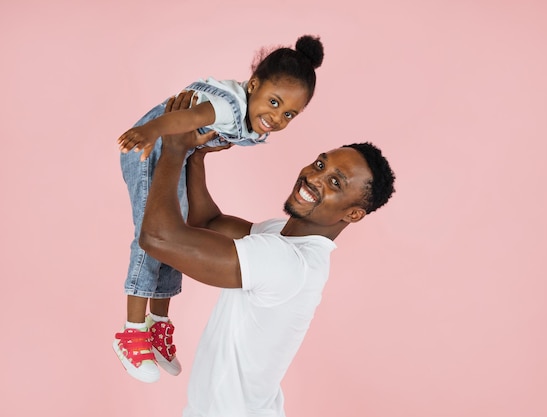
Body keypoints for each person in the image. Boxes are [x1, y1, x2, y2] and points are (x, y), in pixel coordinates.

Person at [138, 91, 396, 416]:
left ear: (353, 213)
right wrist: (196, 155)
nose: (313, 177)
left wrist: (174, 151)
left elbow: (157, 238)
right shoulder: (284, 237)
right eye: (320, 164)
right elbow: (208, 222)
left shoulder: (289, 263)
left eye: (334, 182)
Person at [114, 35, 325, 383]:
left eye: (289, 113)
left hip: (176, 151)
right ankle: (131, 330)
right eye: (273, 102)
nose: (277, 117)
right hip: (151, 148)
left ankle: (157, 323)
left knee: (176, 237)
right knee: (151, 236)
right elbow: (189, 117)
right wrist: (149, 131)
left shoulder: (256, 123)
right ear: (253, 85)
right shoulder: (226, 106)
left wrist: (195, 153)